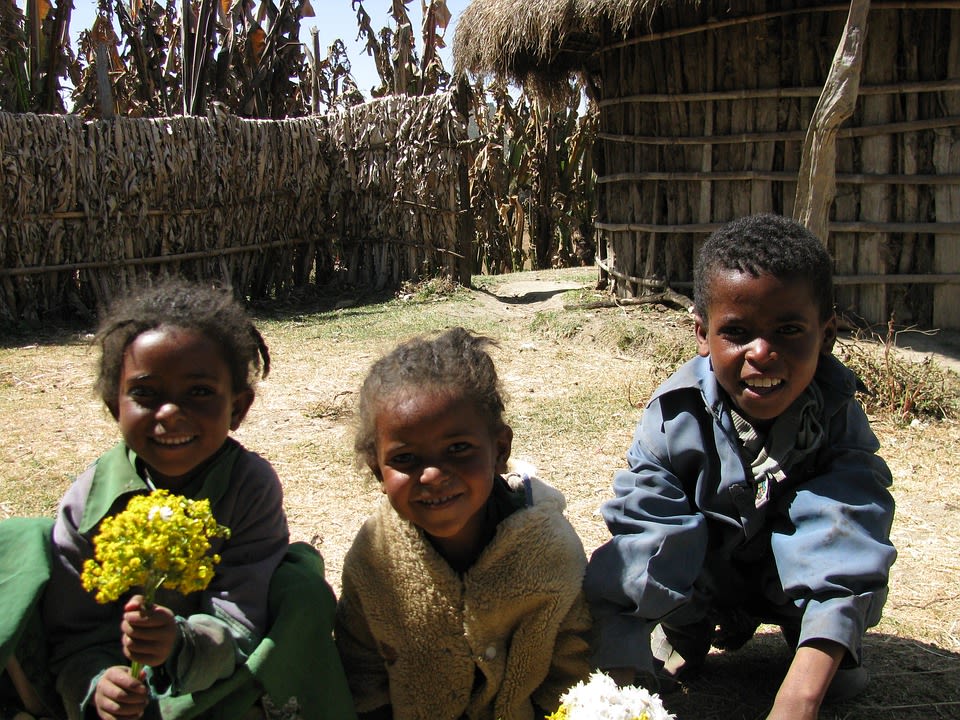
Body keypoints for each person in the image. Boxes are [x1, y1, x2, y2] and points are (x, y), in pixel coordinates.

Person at [584, 214, 897, 720]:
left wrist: (798, 701)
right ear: (703, 333)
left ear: (828, 334)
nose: (763, 353)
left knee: (835, 683)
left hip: (793, 587)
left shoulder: (837, 417)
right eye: (737, 333)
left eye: (790, 330)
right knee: (661, 635)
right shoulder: (671, 420)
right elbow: (646, 545)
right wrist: (609, 696)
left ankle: (814, 650)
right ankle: (687, 633)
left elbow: (845, 536)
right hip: (701, 584)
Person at [27, 278, 355, 720]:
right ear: (113, 407)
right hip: (129, 695)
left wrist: (179, 645)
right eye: (145, 393)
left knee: (301, 587)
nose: (171, 413)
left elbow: (238, 621)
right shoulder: (89, 502)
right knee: (19, 546)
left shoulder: (249, 487)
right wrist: (98, 684)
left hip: (220, 678)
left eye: (199, 392)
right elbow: (73, 635)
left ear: (237, 409)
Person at [334, 327, 592, 720]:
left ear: (499, 450)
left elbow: (570, 666)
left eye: (458, 449)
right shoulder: (374, 559)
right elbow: (362, 672)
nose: (434, 475)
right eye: (404, 459)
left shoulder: (550, 550)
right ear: (377, 471)